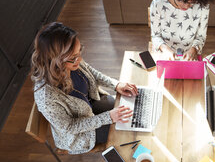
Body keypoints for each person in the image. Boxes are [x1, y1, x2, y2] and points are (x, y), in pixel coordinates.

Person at [31, 22, 138, 154]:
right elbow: (70, 127)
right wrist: (108, 117)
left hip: (91, 104)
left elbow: (91, 72)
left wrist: (115, 84)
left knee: (133, 109)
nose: (79, 59)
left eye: (79, 51)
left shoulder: (72, 60)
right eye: (74, 57)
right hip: (80, 134)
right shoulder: (46, 97)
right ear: (55, 61)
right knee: (127, 131)